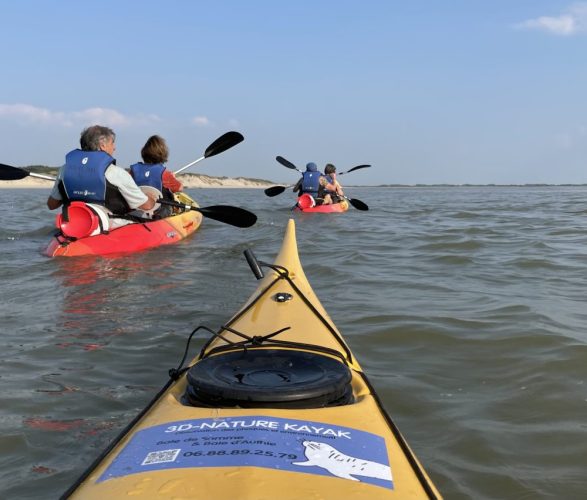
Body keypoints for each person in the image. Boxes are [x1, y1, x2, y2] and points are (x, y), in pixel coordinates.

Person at [47, 125, 155, 219]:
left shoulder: (64, 170)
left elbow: (52, 204)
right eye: (112, 143)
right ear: (102, 146)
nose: (114, 148)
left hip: (73, 223)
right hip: (108, 225)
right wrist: (151, 197)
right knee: (144, 213)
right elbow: (146, 205)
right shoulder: (116, 173)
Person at [129, 135, 182, 218]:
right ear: (162, 153)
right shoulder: (165, 174)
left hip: (137, 208)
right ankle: (158, 218)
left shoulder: (133, 171)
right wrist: (173, 177)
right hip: (158, 210)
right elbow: (179, 188)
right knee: (168, 206)